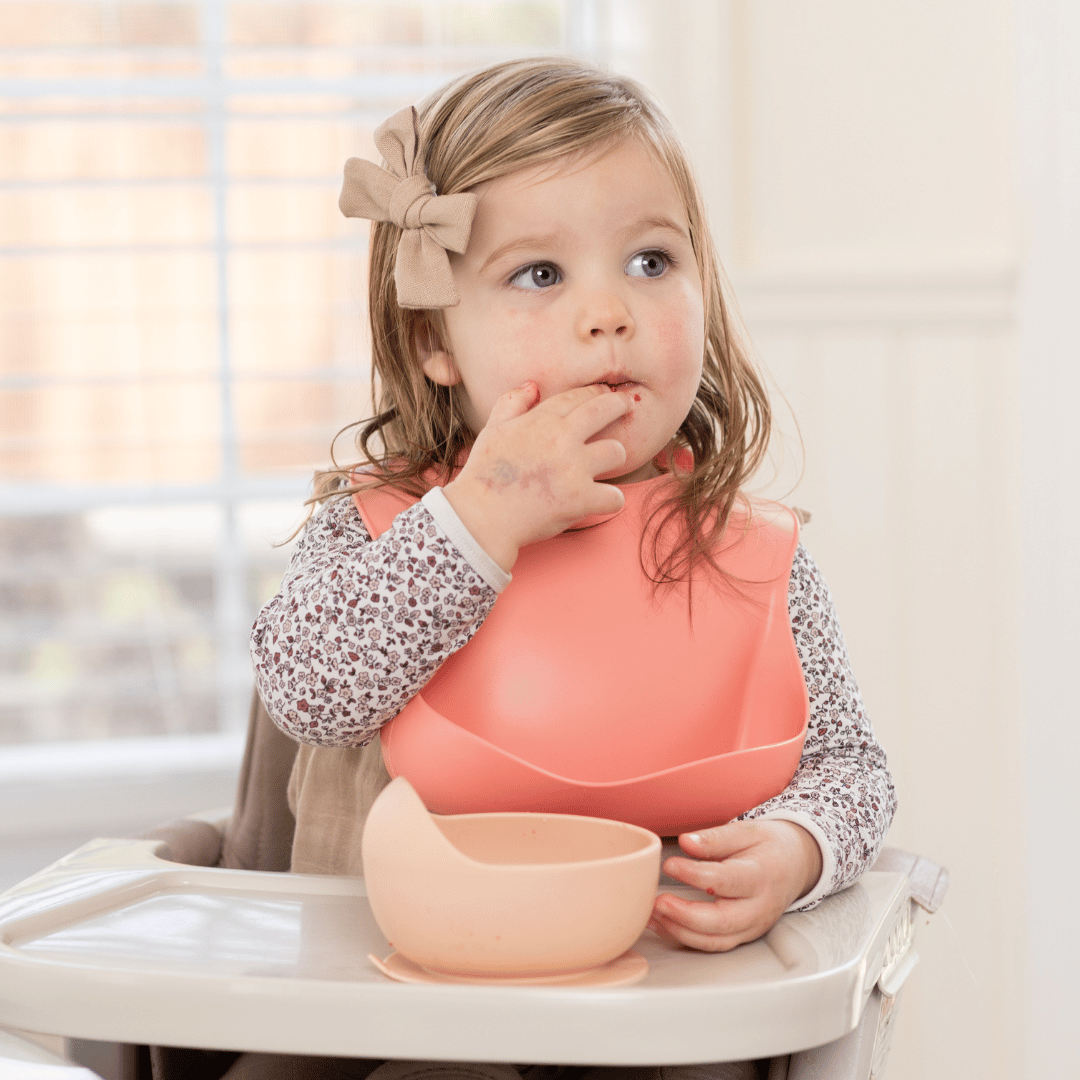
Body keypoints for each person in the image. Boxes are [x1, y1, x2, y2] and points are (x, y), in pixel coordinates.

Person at [244, 57, 895, 1080]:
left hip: (663, 1009)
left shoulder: (749, 552)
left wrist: (797, 851)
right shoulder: (388, 525)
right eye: (540, 275)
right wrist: (479, 521)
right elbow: (309, 690)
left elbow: (851, 768)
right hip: (395, 1015)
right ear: (433, 341)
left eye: (649, 262)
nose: (609, 313)